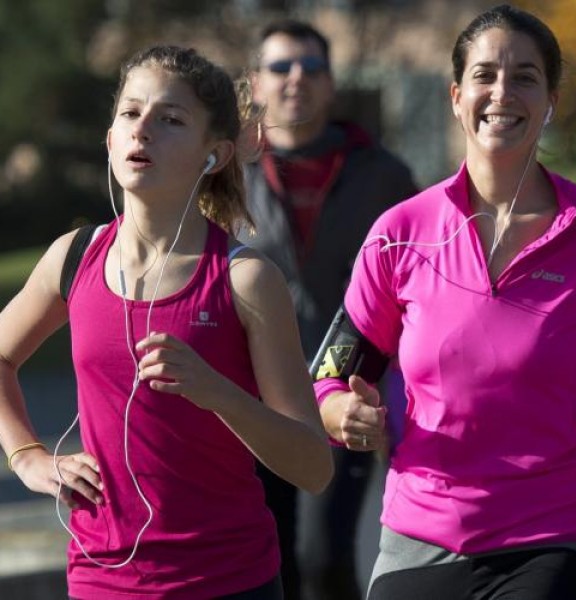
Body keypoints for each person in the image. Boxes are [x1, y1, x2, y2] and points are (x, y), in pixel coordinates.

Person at [311, 5, 576, 600]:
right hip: (417, 536)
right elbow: (331, 377)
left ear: (550, 102)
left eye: (524, 76)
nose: (502, 91)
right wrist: (342, 414)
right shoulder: (399, 231)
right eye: (485, 74)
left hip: (552, 538)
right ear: (455, 96)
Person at [0, 45, 333, 599]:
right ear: (110, 139)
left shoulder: (244, 278)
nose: (143, 130)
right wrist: (28, 455)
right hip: (100, 580)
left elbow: (313, 466)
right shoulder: (73, 257)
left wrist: (215, 391)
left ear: (216, 154)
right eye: (130, 113)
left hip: (228, 581)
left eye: (171, 119)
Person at [238, 19, 418, 600]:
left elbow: (413, 283)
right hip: (250, 390)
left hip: (345, 388)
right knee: (267, 552)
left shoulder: (382, 175)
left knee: (322, 556)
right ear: (255, 83)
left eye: (312, 68)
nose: (297, 79)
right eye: (281, 67)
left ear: (332, 83)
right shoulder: (225, 176)